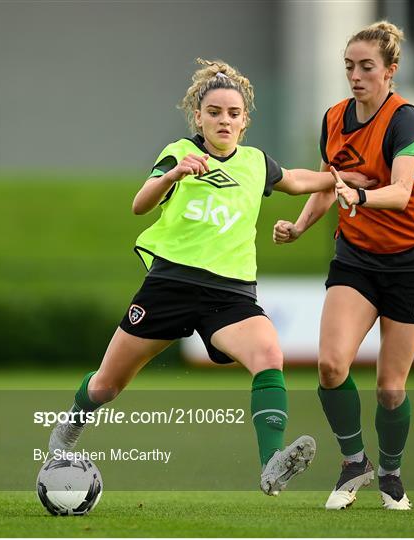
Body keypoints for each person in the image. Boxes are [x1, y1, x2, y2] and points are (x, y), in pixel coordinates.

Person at [48, 58, 373, 495]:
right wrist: (175, 175)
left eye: (233, 114)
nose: (224, 120)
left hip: (230, 294)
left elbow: (296, 180)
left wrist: (345, 178)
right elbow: (140, 205)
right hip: (170, 286)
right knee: (107, 385)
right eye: (215, 112)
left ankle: (270, 463)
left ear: (245, 122)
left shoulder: (256, 163)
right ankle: (64, 433)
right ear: (197, 117)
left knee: (268, 356)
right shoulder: (181, 153)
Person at [274, 21, 414, 510]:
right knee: (330, 365)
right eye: (350, 66)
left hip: (409, 262)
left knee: (390, 389)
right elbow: (330, 184)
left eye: (367, 67)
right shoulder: (334, 118)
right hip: (356, 260)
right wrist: (301, 226)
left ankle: (390, 473)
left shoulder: (405, 120)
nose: (356, 76)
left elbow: (402, 192)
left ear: (390, 71)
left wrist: (359, 194)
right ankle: (353, 463)